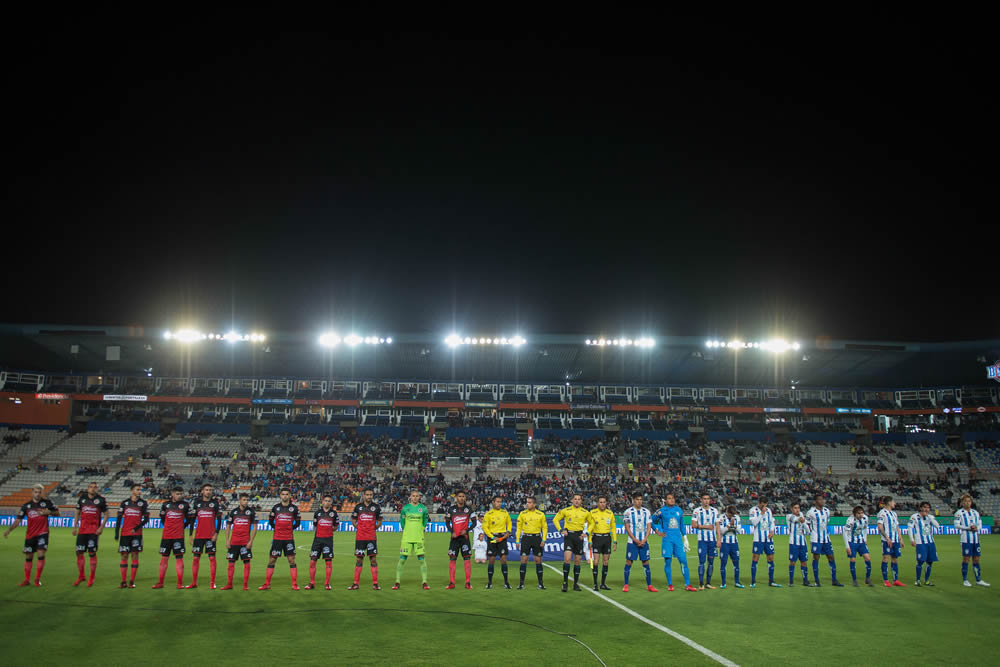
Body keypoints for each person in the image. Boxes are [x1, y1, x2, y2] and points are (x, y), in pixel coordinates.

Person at [3, 483, 58, 586]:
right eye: (36, 492)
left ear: (42, 493)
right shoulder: (26, 506)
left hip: (43, 533)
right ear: (32, 492)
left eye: (39, 492)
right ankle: (27, 579)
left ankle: (37, 579)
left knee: (41, 554)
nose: (37, 494)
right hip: (30, 535)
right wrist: (9, 530)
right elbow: (18, 520)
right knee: (29, 557)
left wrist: (49, 512)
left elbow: (58, 513)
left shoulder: (47, 503)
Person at [651, 492, 695, 592]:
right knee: (668, 562)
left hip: (678, 540)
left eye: (673, 498)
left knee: (683, 561)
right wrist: (657, 531)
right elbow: (650, 520)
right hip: (667, 540)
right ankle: (670, 584)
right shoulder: (661, 511)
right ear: (665, 501)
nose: (672, 500)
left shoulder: (678, 510)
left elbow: (682, 525)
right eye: (669, 498)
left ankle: (687, 584)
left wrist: (685, 538)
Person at [259, 487, 301, 590]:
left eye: (287, 494)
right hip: (277, 538)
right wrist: (277, 528)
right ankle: (267, 584)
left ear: (290, 496)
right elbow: (271, 521)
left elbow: (298, 522)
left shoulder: (294, 509)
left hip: (288, 538)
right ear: (280, 496)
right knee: (272, 560)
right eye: (283, 494)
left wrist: (290, 529)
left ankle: (294, 584)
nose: (285, 496)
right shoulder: (276, 508)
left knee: (291, 560)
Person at [153, 487, 192, 589]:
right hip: (166, 536)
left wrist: (182, 526)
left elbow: (189, 519)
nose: (180, 495)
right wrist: (168, 527)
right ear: (172, 494)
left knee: (179, 558)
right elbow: (162, 518)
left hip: (178, 537)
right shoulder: (166, 505)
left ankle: (179, 583)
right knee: (164, 559)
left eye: (181, 494)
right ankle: (160, 582)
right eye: (178, 494)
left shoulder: (185, 505)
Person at [187, 483, 223, 589]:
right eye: (206, 489)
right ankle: (194, 582)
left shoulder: (215, 503)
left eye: (210, 490)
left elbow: (219, 520)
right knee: (195, 559)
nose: (208, 491)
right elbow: (192, 521)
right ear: (202, 491)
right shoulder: (196, 504)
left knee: (212, 559)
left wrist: (216, 533)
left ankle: (212, 582)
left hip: (210, 536)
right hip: (198, 536)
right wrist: (190, 535)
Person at [73, 481, 108, 587]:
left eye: (95, 487)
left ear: (97, 489)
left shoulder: (101, 500)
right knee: (79, 552)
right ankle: (81, 576)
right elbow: (77, 513)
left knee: (92, 553)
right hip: (82, 531)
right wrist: (75, 527)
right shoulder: (82, 499)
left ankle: (92, 577)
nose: (92, 489)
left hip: (93, 531)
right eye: (91, 487)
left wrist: (101, 527)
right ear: (88, 488)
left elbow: (106, 515)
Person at [553, 493, 590, 592]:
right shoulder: (566, 510)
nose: (577, 501)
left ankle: (575, 584)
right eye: (575, 499)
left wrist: (587, 532)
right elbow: (555, 520)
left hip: (579, 537)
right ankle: (565, 583)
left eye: (579, 499)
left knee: (577, 561)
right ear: (572, 500)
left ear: (581, 501)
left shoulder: (585, 512)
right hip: (569, 536)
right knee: (567, 559)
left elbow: (592, 523)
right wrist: (561, 530)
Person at [394, 490, 430, 590]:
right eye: (413, 496)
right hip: (407, 537)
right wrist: (406, 530)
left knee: (422, 560)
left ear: (419, 497)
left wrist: (421, 528)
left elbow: (425, 520)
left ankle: (424, 582)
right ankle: (397, 581)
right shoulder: (405, 508)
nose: (415, 498)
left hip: (419, 537)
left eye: (417, 496)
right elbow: (402, 521)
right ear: (410, 497)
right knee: (402, 559)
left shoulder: (423, 509)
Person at [115, 483, 148, 588]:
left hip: (137, 534)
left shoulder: (143, 503)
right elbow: (119, 519)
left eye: (140, 490)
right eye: (137, 489)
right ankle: (123, 581)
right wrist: (116, 533)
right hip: (125, 533)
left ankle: (132, 581)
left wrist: (136, 528)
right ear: (132, 491)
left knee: (135, 555)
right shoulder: (125, 503)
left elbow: (146, 519)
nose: (139, 491)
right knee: (124, 555)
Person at [623, 492, 657, 592]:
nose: (639, 501)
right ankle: (626, 584)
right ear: (633, 500)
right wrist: (635, 540)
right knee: (629, 562)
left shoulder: (646, 512)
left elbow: (649, 526)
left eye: (640, 499)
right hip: (632, 542)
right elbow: (627, 528)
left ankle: (649, 585)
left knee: (646, 562)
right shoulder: (628, 512)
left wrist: (644, 539)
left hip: (644, 541)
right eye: (637, 499)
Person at [349, 488, 382, 590]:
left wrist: (372, 528)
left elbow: (379, 521)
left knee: (373, 559)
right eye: (367, 495)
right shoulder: (358, 507)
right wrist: (360, 528)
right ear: (363, 496)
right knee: (359, 559)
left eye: (371, 494)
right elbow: (354, 521)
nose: (369, 496)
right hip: (360, 537)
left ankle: (375, 583)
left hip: (371, 537)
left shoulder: (376, 507)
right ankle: (356, 583)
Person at [806, 494, 842, 586]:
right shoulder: (811, 512)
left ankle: (834, 580)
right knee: (816, 558)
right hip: (816, 539)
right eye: (819, 499)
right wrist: (812, 533)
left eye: (823, 499)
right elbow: (807, 524)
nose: (822, 501)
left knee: (831, 557)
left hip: (826, 539)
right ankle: (817, 580)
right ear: (815, 502)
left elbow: (826, 523)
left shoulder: (827, 511)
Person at [222, 493, 256, 590]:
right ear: (240, 501)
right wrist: (227, 540)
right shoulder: (233, 512)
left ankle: (245, 585)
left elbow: (254, 527)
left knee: (247, 563)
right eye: (244, 500)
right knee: (231, 563)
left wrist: (251, 541)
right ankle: (229, 584)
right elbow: (228, 526)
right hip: (234, 542)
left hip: (245, 542)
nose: (246, 501)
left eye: (247, 500)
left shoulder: (251, 512)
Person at [956, 493, 990, 587]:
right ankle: (965, 580)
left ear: (971, 502)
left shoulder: (975, 512)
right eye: (965, 501)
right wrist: (968, 527)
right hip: (966, 540)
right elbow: (956, 525)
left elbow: (980, 524)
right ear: (962, 502)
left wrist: (976, 528)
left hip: (976, 540)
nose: (967, 503)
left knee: (976, 559)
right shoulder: (959, 513)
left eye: (969, 501)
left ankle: (978, 580)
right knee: (966, 559)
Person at [444, 491, 475, 589]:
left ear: (465, 498)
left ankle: (468, 582)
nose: (461, 498)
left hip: (464, 538)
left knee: (467, 559)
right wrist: (451, 531)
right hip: (454, 538)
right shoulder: (451, 509)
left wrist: (467, 530)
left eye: (463, 496)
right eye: (459, 496)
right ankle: (452, 583)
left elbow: (474, 523)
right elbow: (447, 523)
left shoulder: (469, 509)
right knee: (452, 559)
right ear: (456, 498)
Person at [307, 493, 338, 590]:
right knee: (312, 562)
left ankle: (327, 583)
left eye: (329, 501)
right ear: (322, 502)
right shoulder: (317, 513)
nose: (327, 502)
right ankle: (312, 583)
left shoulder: (334, 514)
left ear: (331, 503)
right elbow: (315, 526)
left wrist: (328, 531)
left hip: (328, 540)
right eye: (325, 501)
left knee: (328, 562)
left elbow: (336, 526)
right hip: (317, 540)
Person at [586, 495, 617, 591]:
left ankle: (603, 584)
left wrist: (615, 541)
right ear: (597, 503)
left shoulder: (610, 513)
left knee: (606, 562)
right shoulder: (592, 513)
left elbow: (613, 528)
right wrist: (590, 541)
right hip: (596, 538)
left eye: (604, 502)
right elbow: (590, 528)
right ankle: (595, 584)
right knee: (595, 562)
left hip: (607, 539)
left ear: (606, 503)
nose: (602, 504)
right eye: (600, 502)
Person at [515, 496, 546, 589]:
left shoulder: (541, 514)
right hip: (526, 538)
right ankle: (521, 584)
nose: (527, 504)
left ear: (534, 504)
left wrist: (544, 539)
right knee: (524, 560)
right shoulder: (522, 514)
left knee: (538, 560)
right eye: (527, 502)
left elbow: (544, 528)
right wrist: (517, 540)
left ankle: (540, 584)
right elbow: (519, 528)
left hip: (537, 538)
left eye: (529, 502)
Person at [749, 497, 780, 588]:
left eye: (765, 504)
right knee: (755, 558)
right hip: (758, 538)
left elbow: (772, 522)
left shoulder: (769, 511)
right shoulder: (753, 510)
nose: (764, 506)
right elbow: (754, 523)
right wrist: (761, 513)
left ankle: (771, 580)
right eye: (762, 503)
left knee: (770, 558)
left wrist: (771, 531)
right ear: (758, 503)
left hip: (768, 539)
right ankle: (753, 581)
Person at [483, 495, 513, 589]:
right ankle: (489, 582)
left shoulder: (505, 512)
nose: (499, 503)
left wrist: (508, 531)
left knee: (503, 559)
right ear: (493, 502)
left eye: (500, 502)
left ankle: (506, 582)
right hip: (492, 538)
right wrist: (492, 537)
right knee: (491, 560)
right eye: (497, 501)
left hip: (502, 537)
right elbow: (485, 527)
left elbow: (509, 523)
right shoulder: (488, 514)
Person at [691, 493, 720, 590]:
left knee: (711, 562)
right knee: (702, 562)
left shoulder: (714, 511)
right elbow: (693, 525)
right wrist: (706, 526)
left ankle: (708, 583)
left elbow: (717, 526)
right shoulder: (697, 511)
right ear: (701, 500)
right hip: (702, 540)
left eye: (708, 499)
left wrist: (719, 539)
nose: (706, 501)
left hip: (712, 540)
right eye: (704, 499)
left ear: (710, 500)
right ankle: (701, 583)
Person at [909, 501, 939, 586]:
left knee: (930, 561)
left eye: (928, 508)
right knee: (920, 561)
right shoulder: (914, 517)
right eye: (925, 507)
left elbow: (937, 526)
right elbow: (910, 528)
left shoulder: (930, 517)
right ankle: (917, 580)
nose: (926, 509)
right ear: (921, 508)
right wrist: (912, 540)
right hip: (920, 542)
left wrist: (930, 517)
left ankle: (927, 580)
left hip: (930, 542)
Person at [877, 496, 905, 587]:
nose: (895, 503)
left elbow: (897, 527)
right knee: (886, 558)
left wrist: (901, 539)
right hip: (887, 541)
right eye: (893, 501)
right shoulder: (882, 513)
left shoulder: (894, 514)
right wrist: (887, 538)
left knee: (895, 559)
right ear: (889, 502)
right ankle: (886, 580)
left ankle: (895, 580)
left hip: (896, 540)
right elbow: (880, 527)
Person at [843, 505, 873, 586]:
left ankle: (867, 578)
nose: (861, 515)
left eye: (862, 513)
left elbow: (865, 528)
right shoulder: (850, 520)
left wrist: (865, 539)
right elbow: (845, 532)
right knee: (853, 560)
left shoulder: (865, 518)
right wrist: (847, 546)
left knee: (867, 558)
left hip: (861, 542)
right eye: (858, 513)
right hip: (852, 542)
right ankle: (854, 580)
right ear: (854, 514)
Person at [786, 501, 810, 587]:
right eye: (795, 508)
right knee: (792, 562)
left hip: (803, 542)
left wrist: (804, 522)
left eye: (798, 508)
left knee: (804, 562)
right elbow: (795, 519)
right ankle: (791, 581)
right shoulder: (789, 516)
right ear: (792, 509)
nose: (797, 510)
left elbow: (808, 531)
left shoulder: (801, 516)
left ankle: (805, 580)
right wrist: (802, 519)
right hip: (793, 543)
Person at [719, 505, 743, 589]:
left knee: (736, 563)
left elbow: (740, 530)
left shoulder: (737, 517)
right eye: (730, 515)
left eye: (733, 515)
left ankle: (737, 582)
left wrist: (735, 527)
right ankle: (723, 582)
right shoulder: (721, 517)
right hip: (724, 543)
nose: (731, 516)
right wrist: (729, 525)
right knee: (723, 563)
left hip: (734, 543)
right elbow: (721, 531)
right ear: (727, 512)